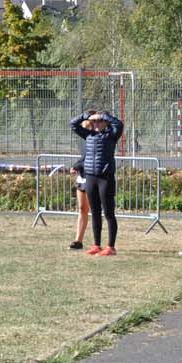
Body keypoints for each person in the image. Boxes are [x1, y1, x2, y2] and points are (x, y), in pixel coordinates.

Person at [70, 109, 122, 255]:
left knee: (109, 213)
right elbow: (73, 124)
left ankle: (111, 247)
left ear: (105, 122)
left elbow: (119, 124)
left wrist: (103, 116)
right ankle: (96, 245)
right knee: (95, 213)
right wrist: (86, 116)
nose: (96, 123)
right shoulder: (89, 135)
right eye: (94, 121)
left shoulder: (111, 135)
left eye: (99, 121)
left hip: (105, 178)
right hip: (90, 177)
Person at [68, 152, 89, 250]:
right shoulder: (89, 142)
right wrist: (75, 166)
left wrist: (78, 166)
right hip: (82, 179)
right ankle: (78, 241)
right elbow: (84, 158)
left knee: (97, 210)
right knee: (82, 208)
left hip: (94, 178)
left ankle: (99, 244)